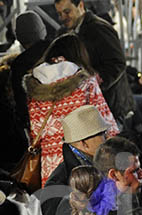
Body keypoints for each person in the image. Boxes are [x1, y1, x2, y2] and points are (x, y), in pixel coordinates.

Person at [25, 34, 118, 185]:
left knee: (57, 204)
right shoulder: (85, 83)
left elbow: (36, 132)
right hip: (82, 158)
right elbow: (108, 125)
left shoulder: (34, 88)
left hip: (50, 163)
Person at [54, 0, 135, 125]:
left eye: (67, 12)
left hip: (111, 107)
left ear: (80, 5)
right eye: (59, 14)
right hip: (90, 109)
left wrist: (96, 84)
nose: (63, 18)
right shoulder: (65, 33)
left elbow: (117, 63)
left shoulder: (99, 29)